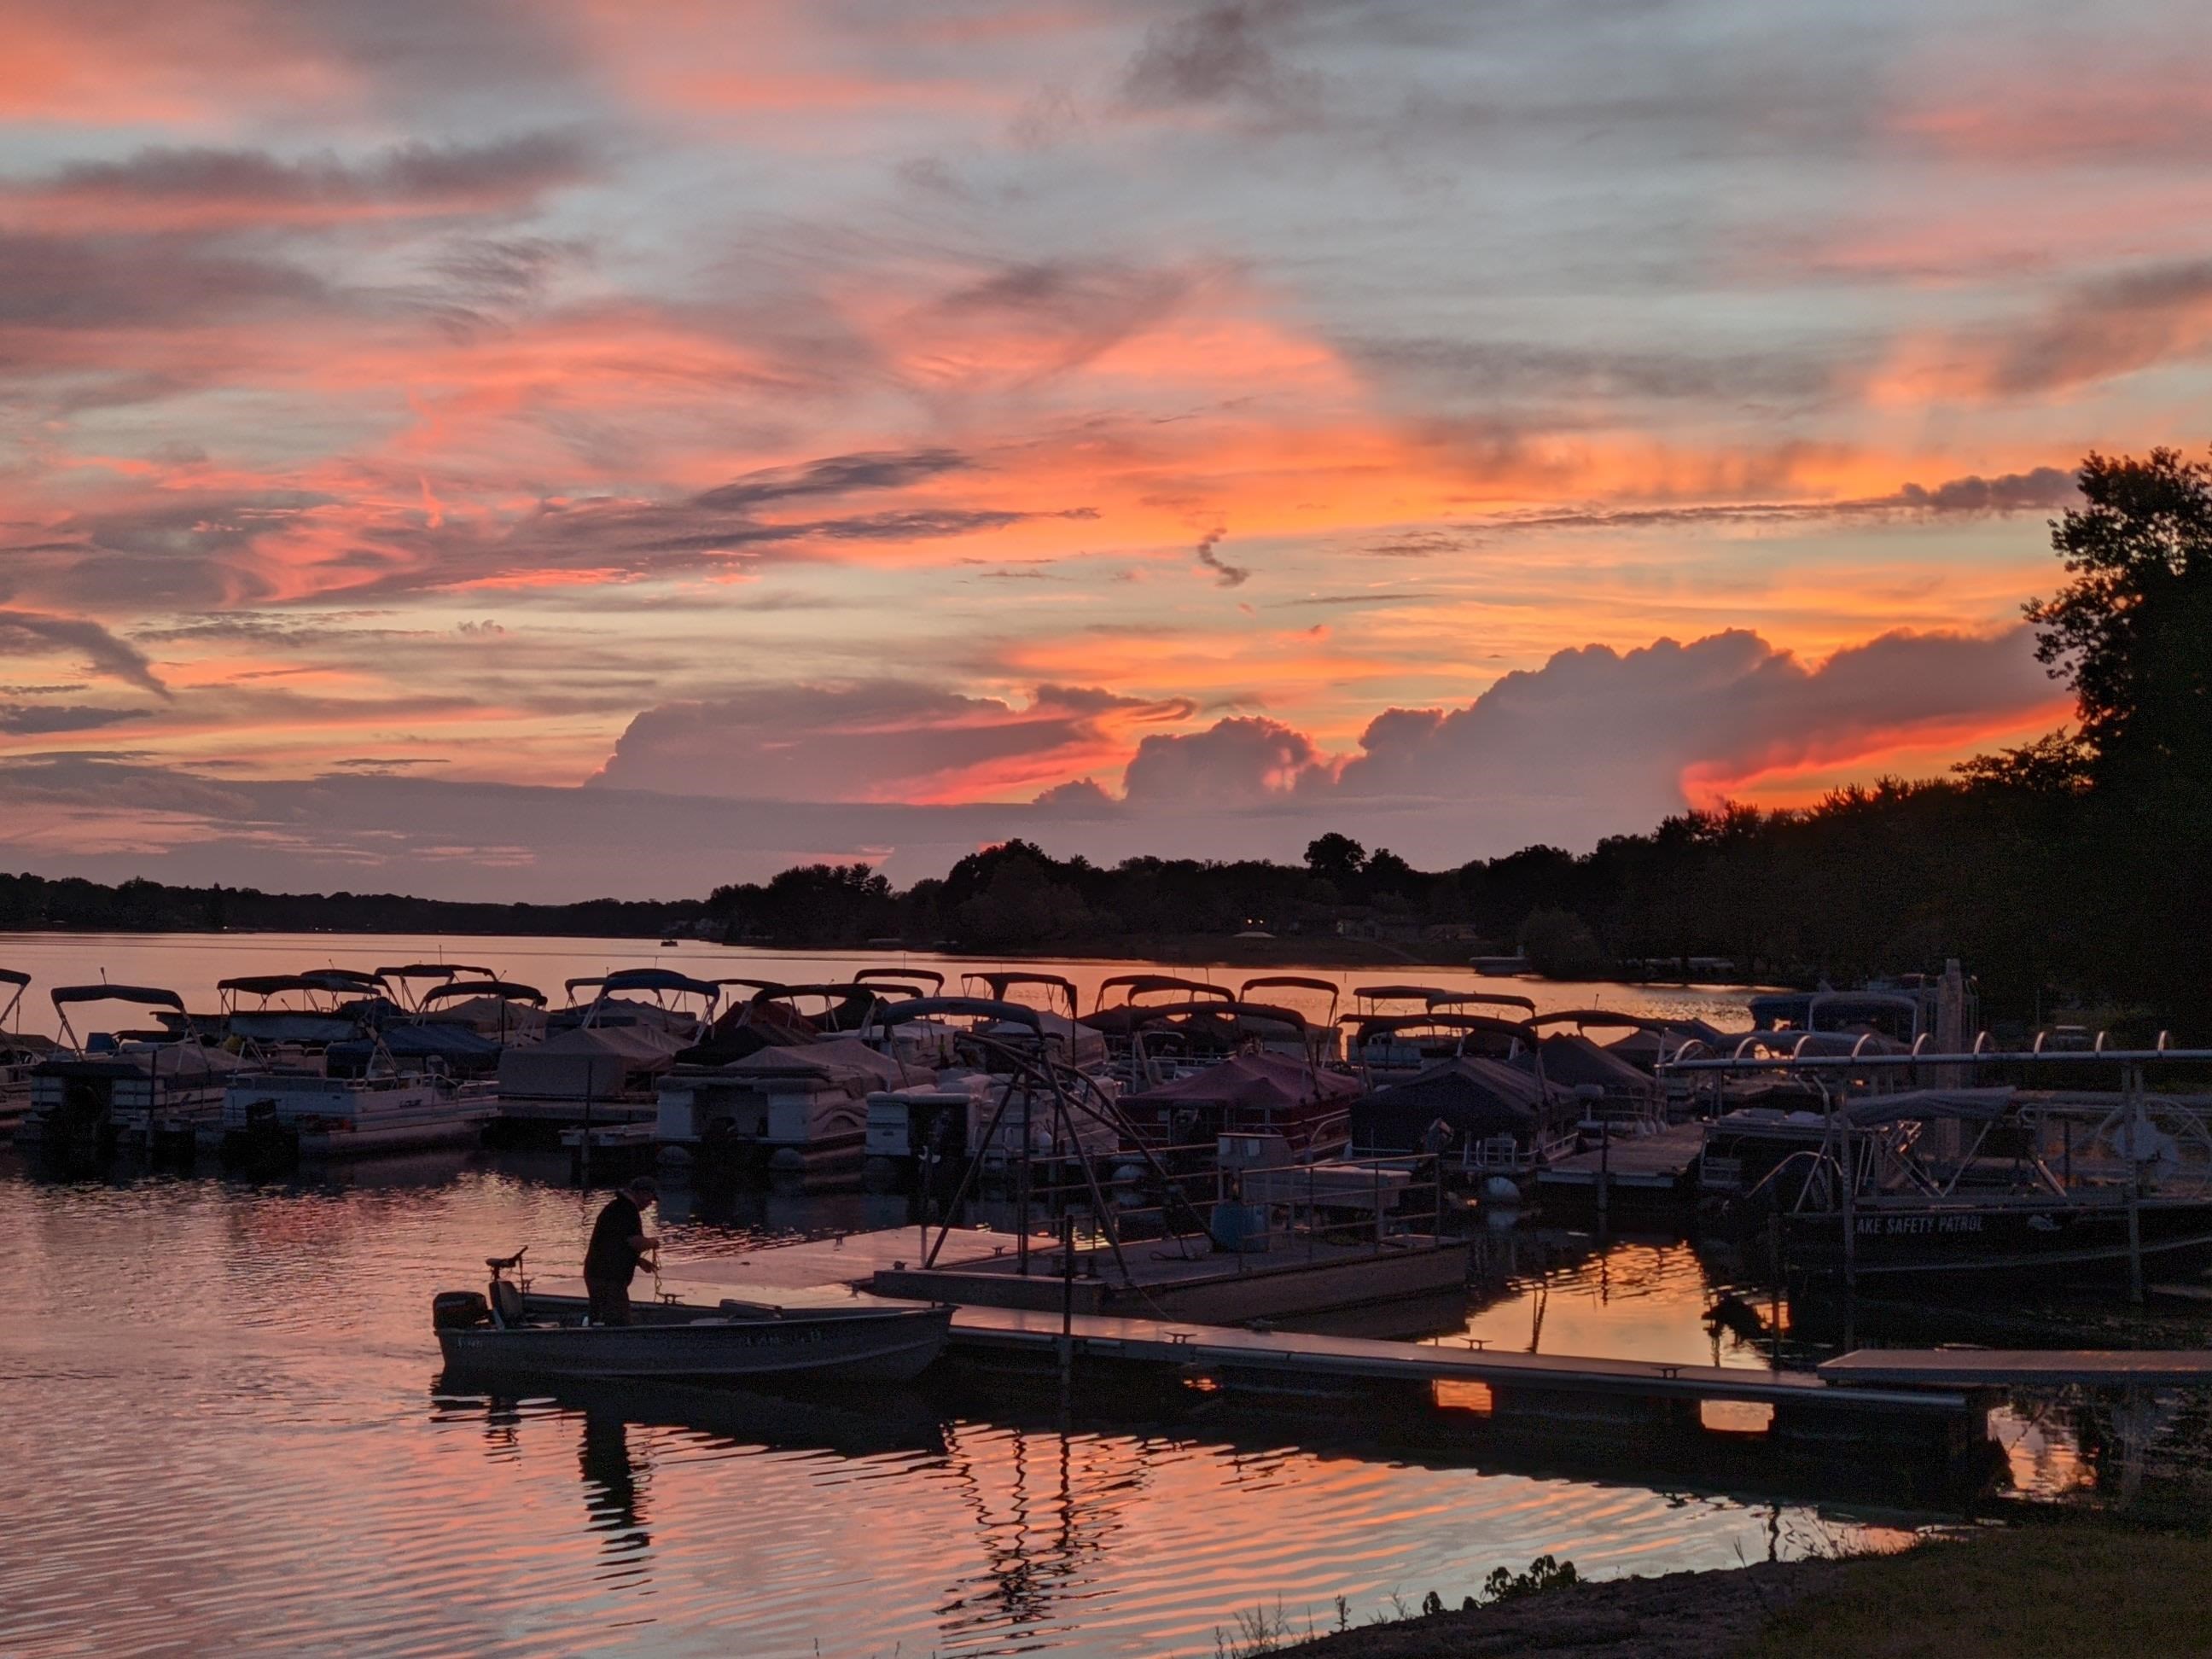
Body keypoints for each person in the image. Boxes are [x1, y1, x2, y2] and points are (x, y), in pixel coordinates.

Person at [583, 1176, 658, 1325]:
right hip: (608, 1277)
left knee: (599, 1316)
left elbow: (615, 1243)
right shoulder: (627, 1210)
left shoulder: (617, 1207)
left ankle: (594, 1342)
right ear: (643, 1193)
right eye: (650, 1199)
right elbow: (634, 1241)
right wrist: (652, 1243)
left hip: (597, 1272)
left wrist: (637, 1261)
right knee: (618, 1321)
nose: (650, 1203)